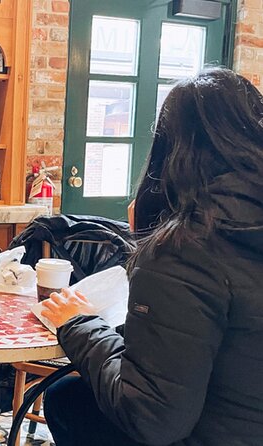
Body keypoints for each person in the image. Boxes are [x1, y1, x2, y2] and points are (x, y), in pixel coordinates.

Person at [40, 67, 263, 446]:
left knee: (68, 400)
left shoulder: (188, 248)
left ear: (170, 152)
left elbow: (151, 417)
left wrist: (79, 324)